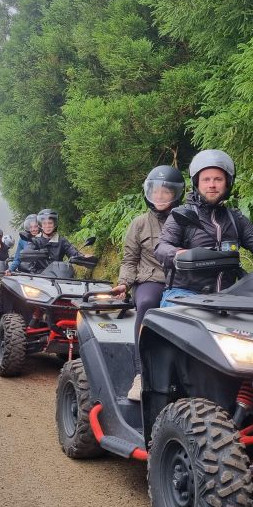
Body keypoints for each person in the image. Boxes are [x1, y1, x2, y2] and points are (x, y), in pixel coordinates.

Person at [155, 149, 253, 306]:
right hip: (184, 293)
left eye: (218, 179)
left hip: (228, 295)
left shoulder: (235, 218)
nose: (212, 185)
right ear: (197, 183)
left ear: (228, 182)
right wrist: (179, 254)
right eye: (206, 180)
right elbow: (161, 247)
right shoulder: (181, 214)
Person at [110, 165, 185, 401]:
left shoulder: (187, 220)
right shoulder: (139, 223)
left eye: (166, 192)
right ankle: (141, 374)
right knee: (147, 304)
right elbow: (130, 259)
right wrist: (124, 283)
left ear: (176, 194)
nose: (160, 196)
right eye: (156, 191)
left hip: (183, 281)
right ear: (148, 193)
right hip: (151, 280)